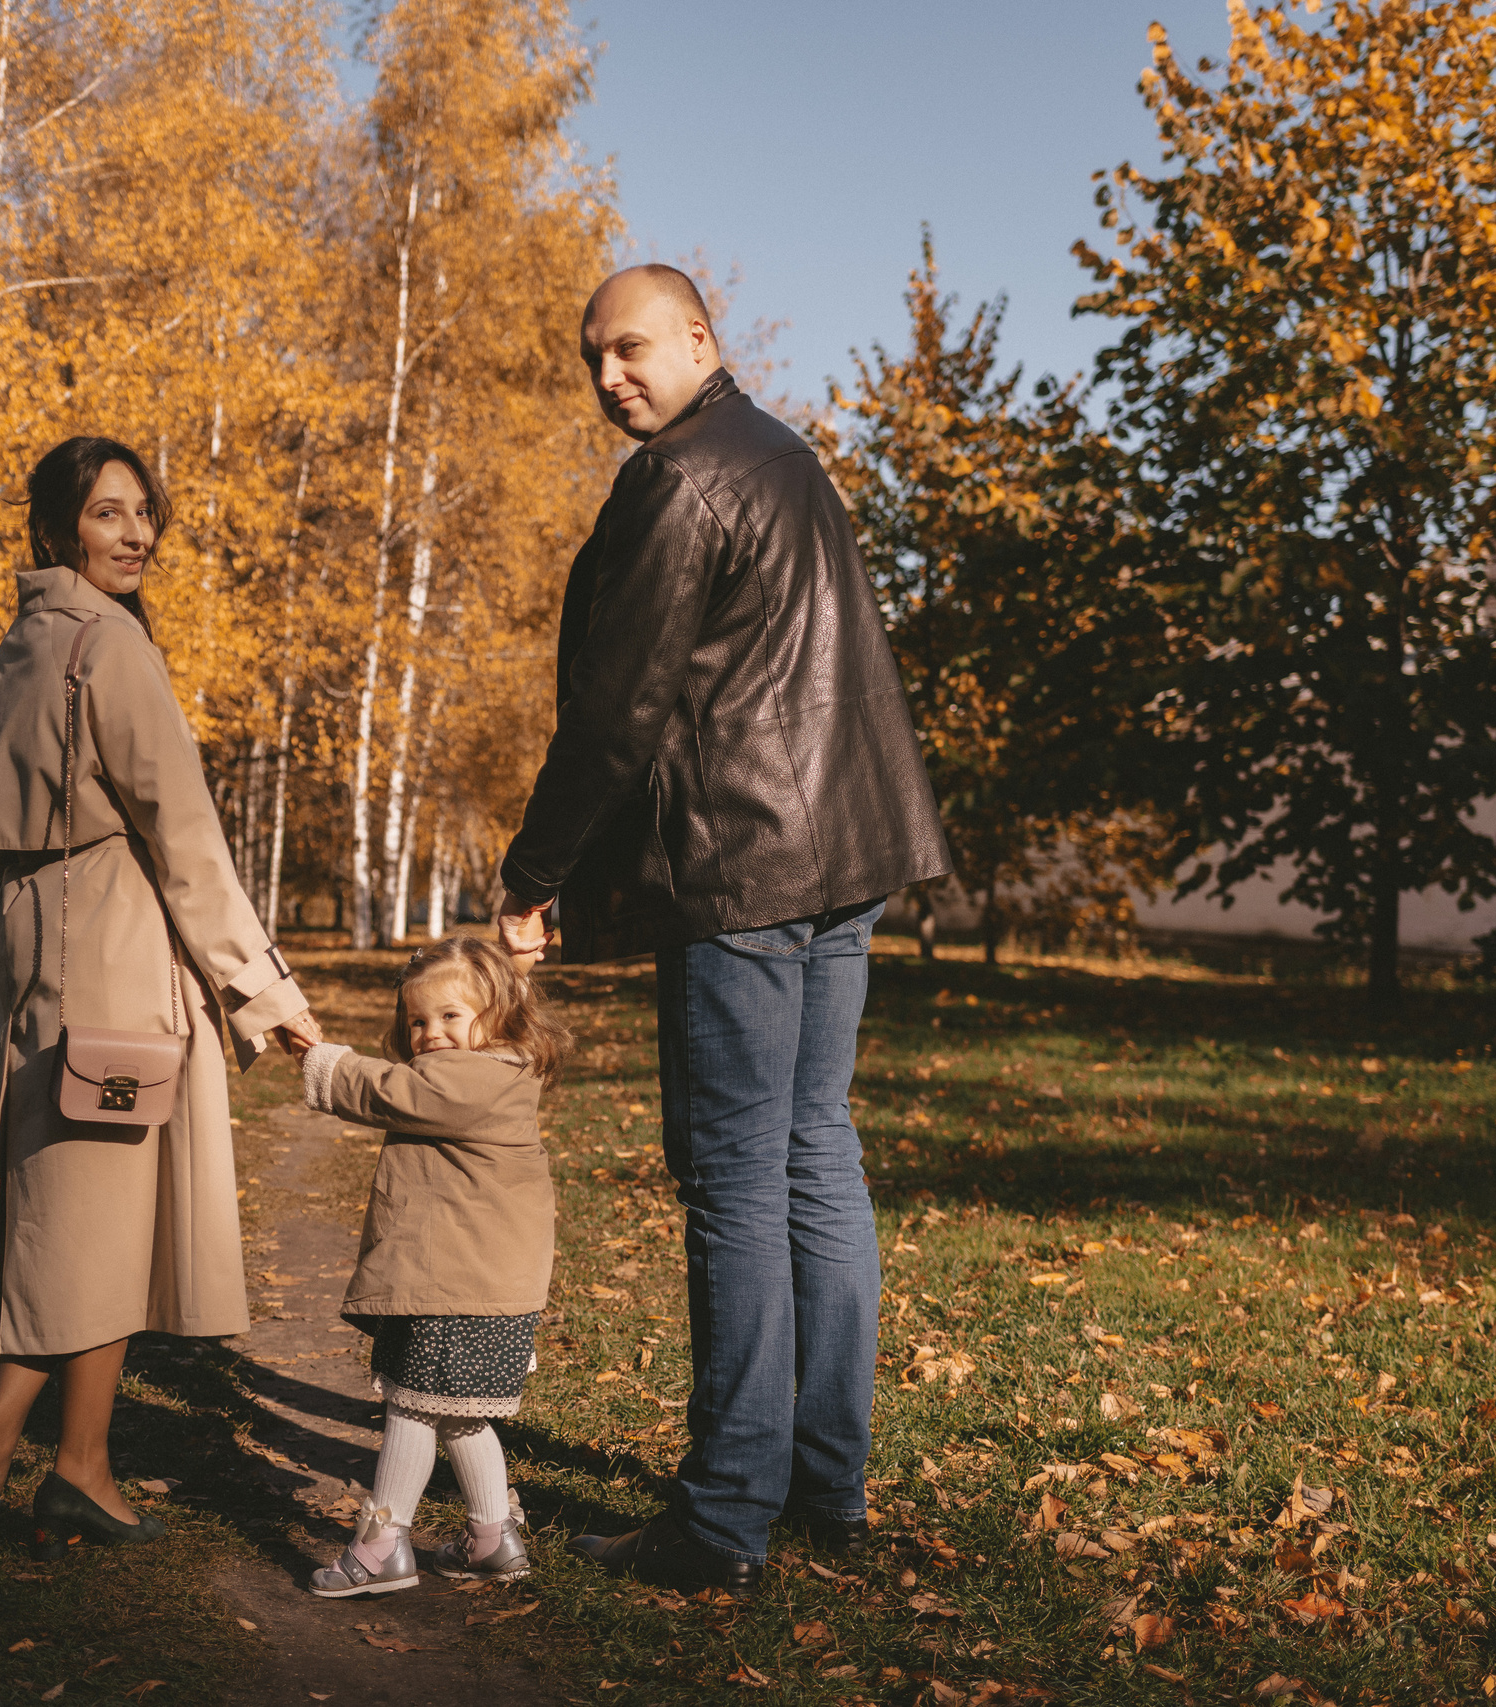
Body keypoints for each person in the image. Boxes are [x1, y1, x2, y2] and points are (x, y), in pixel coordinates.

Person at [494, 265, 949, 1590]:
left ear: (699, 340)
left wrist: (533, 873)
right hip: (844, 852)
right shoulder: (785, 454)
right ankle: (825, 1487)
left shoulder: (682, 478)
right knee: (814, 1154)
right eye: (593, 358)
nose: (608, 377)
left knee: (741, 1174)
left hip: (748, 865)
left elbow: (618, 708)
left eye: (630, 348)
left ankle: (723, 1515)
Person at [0, 435, 322, 1562]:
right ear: (58, 529)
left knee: (80, 1221)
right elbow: (184, 837)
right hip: (120, 958)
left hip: (34, 961)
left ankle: (62, 1464)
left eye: (143, 511)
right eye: (107, 513)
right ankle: (23, 1451)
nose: (135, 532)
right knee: (101, 1222)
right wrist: (262, 988)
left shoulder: (10, 659)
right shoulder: (112, 648)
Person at [283, 938, 567, 1598]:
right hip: (479, 1286)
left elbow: (388, 1089)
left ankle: (381, 1547)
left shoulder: (474, 1079)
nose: (430, 1032)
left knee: (411, 1409)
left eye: (449, 1015)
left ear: (498, 1017)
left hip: (456, 1286)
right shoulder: (492, 1072)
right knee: (461, 1413)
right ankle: (492, 1538)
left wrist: (317, 1057)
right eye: (417, 1021)